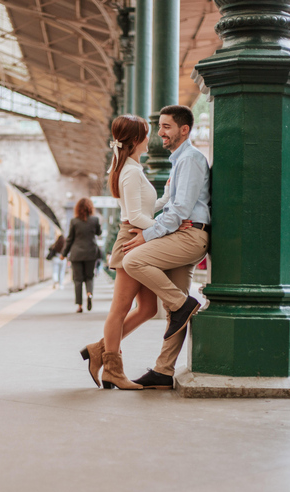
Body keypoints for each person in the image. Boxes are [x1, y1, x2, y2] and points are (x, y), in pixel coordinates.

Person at [79, 114, 174, 390]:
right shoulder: (130, 172)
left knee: (146, 308)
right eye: (146, 133)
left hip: (138, 237)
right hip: (133, 238)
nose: (150, 138)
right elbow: (135, 216)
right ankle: (112, 370)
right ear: (136, 140)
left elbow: (143, 209)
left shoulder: (133, 168)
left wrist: (166, 198)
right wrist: (164, 229)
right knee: (120, 310)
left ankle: (99, 350)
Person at [121, 105, 211, 390]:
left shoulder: (191, 160)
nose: (160, 133)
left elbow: (182, 208)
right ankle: (163, 371)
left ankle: (184, 305)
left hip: (190, 237)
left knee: (132, 261)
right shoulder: (180, 160)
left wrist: (149, 233)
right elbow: (170, 205)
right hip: (184, 234)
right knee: (176, 314)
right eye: (159, 127)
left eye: (167, 127)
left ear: (184, 130)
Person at [62, 198, 101, 313]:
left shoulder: (74, 221)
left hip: (77, 253)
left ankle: (79, 305)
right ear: (90, 208)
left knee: (78, 280)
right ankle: (89, 294)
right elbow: (99, 233)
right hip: (90, 252)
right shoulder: (95, 220)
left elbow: (70, 239)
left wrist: (64, 253)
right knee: (89, 277)